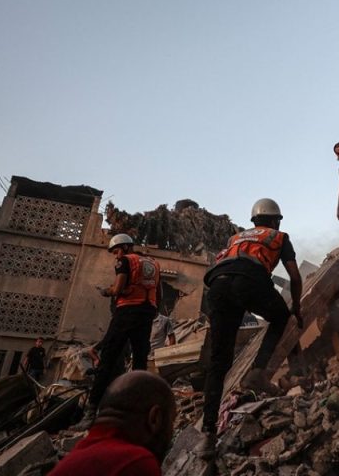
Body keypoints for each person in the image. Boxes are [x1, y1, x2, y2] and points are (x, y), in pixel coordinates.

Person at [198, 198, 303, 459]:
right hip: (249, 281)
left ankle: (208, 434)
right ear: (274, 220)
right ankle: (258, 370)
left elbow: (228, 265)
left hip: (217, 286)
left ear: (254, 219)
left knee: (218, 362)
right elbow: (295, 276)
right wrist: (297, 307)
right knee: (280, 317)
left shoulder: (236, 238)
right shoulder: (278, 236)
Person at [77, 234, 161, 429]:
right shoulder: (153, 263)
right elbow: (158, 291)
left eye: (116, 251)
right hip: (147, 312)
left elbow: (117, 288)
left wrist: (107, 291)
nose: (116, 256)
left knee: (107, 361)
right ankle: (139, 411)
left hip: (127, 312)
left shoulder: (125, 261)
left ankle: (90, 413)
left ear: (124, 248)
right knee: (140, 361)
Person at [49, 371, 176, 476]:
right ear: (155, 418)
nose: (172, 432)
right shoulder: (134, 462)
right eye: (172, 421)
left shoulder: (73, 460)